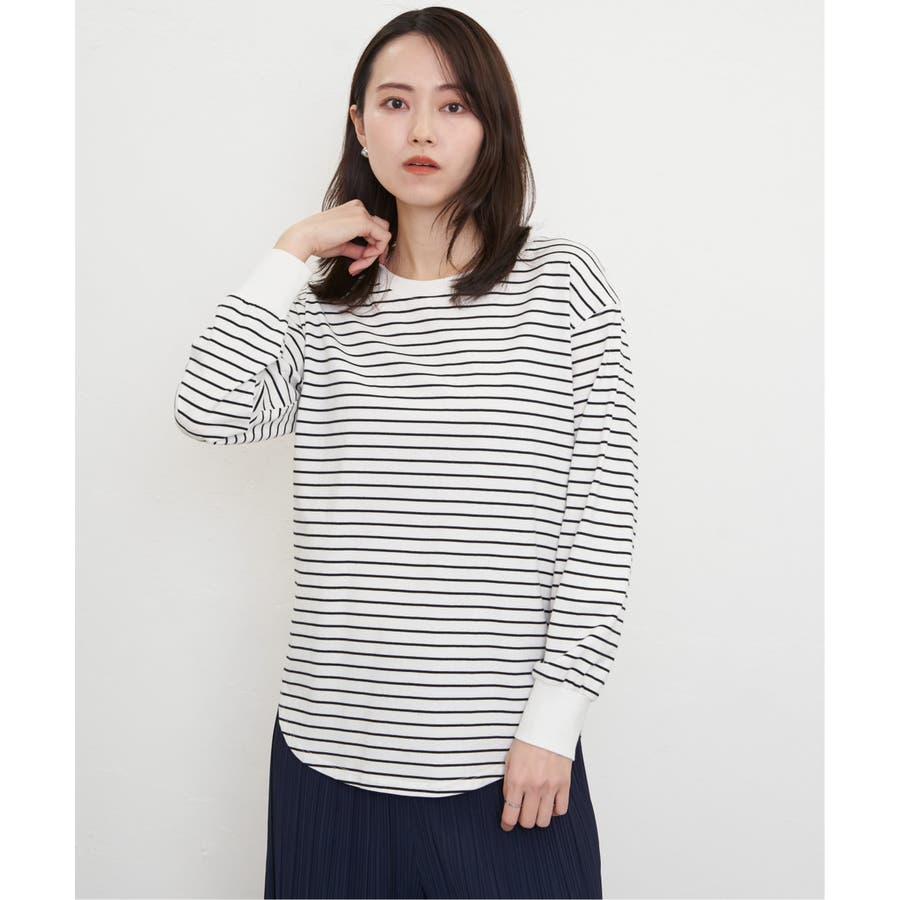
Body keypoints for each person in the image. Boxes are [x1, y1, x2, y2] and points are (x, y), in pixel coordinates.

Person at [173, 7, 639, 899]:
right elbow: (207, 411)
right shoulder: (326, 309)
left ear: (491, 126)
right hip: (325, 757)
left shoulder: (561, 286)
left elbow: (599, 520)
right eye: (395, 102)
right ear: (359, 125)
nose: (422, 130)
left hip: (504, 766)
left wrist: (554, 723)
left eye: (453, 106)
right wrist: (292, 250)